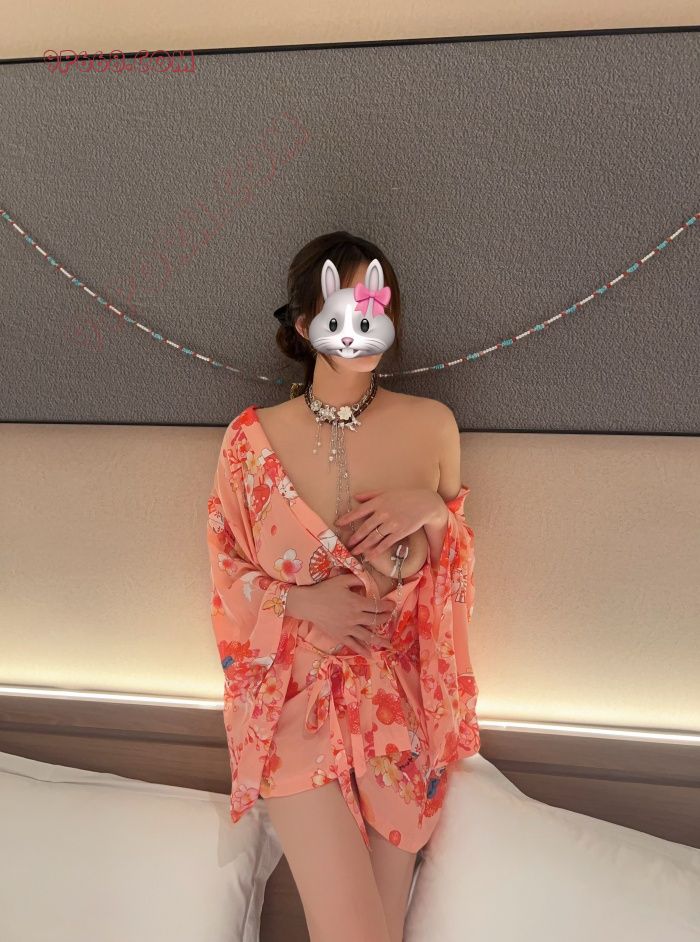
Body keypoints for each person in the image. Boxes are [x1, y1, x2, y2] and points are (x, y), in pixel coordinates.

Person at [206, 230, 480, 942]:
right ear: (306, 324)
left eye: (373, 306)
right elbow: (226, 572)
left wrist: (433, 515)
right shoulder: (249, 443)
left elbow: (452, 585)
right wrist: (301, 601)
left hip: (398, 709)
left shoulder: (432, 427)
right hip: (292, 702)